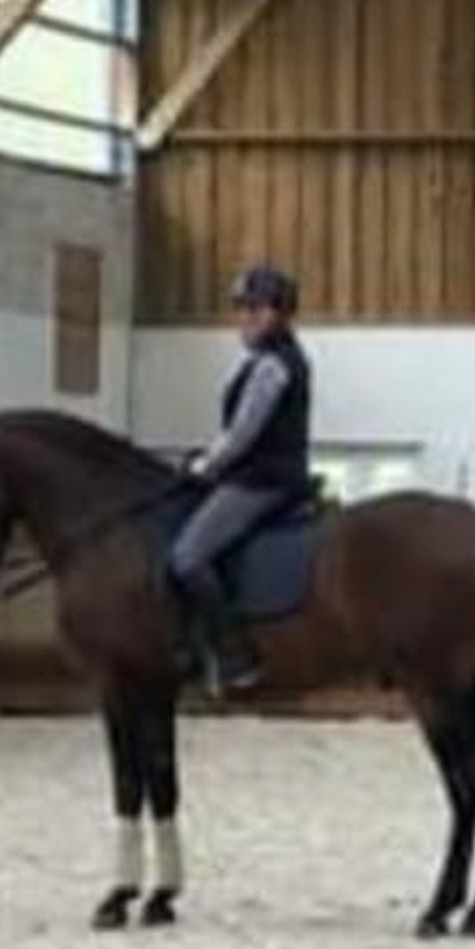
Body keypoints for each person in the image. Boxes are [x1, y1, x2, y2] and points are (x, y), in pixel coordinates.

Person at [166, 263, 313, 697]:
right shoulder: (271, 361)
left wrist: (203, 466)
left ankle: (235, 658)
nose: (243, 319)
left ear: (275, 313)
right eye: (242, 309)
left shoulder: (273, 366)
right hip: (260, 476)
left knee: (187, 557)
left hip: (262, 481)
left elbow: (243, 435)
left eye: (252, 309)